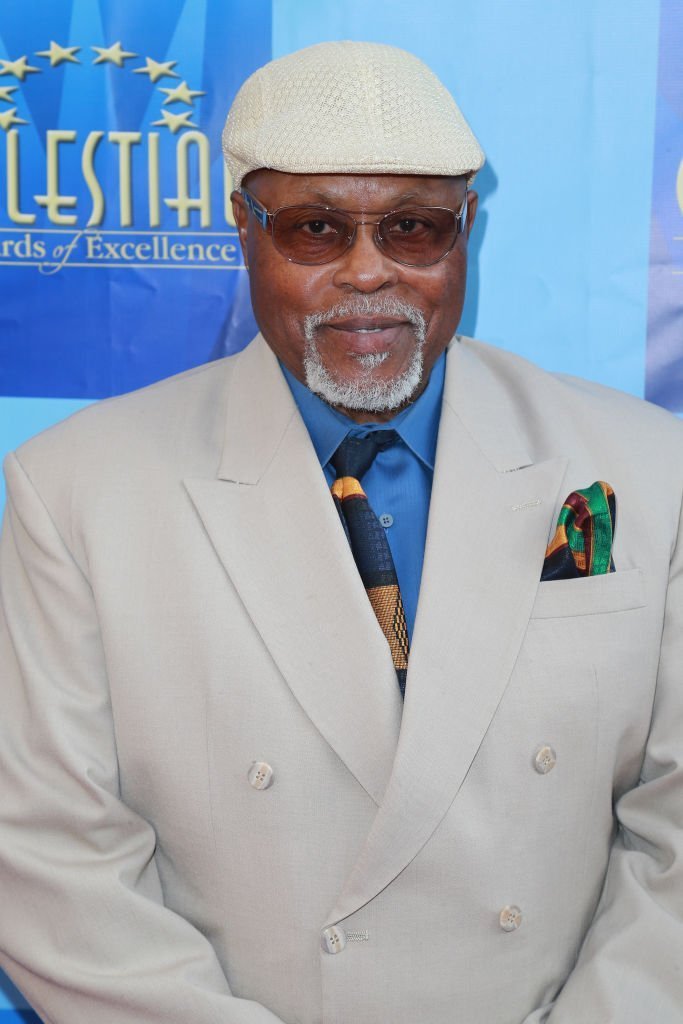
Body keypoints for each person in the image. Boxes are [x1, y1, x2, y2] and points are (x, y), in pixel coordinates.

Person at [0, 40, 682, 1024]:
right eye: (315, 230)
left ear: (465, 232)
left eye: (411, 228)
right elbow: (47, 858)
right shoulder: (77, 493)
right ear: (244, 230)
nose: (369, 273)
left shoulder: (647, 469)